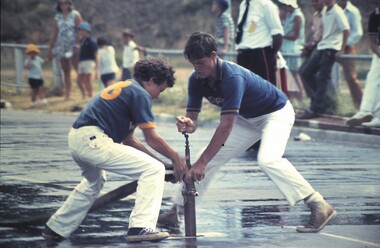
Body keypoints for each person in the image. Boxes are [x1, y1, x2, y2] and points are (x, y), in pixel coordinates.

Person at [158, 32, 336, 234]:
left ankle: (318, 205)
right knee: (204, 158)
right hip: (247, 119)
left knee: (268, 159)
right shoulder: (196, 79)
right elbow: (193, 119)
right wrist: (188, 124)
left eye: (200, 62)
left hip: (275, 113)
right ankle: (176, 212)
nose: (197, 68)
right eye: (192, 63)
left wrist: (202, 163)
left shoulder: (232, 77)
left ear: (214, 55)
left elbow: (225, 126)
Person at [41, 57, 187, 243]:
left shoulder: (128, 88)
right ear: (150, 80)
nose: (158, 96)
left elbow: (129, 140)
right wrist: (175, 158)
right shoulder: (141, 95)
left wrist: (163, 163)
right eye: (160, 89)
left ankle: (55, 228)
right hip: (94, 140)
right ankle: (141, 227)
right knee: (152, 170)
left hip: (79, 138)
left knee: (95, 182)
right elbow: (151, 138)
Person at [298, 0, 350, 119]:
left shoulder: (337, 12)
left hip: (331, 48)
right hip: (322, 46)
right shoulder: (326, 11)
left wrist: (342, 49)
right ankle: (319, 101)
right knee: (305, 71)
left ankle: (315, 108)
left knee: (322, 77)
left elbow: (346, 30)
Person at [346, 3, 380, 128]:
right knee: (373, 79)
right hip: (379, 52)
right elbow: (373, 42)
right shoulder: (374, 16)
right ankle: (366, 112)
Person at [235, 0, 283, 85]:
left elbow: (277, 33)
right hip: (243, 54)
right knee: (245, 90)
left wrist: (272, 53)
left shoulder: (266, 4)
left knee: (266, 90)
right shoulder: (243, 4)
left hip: (260, 54)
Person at [47, 0, 82, 100]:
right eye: (61, 3)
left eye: (66, 3)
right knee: (66, 70)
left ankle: (84, 92)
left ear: (69, 4)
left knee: (78, 69)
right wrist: (50, 48)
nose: (63, 5)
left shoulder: (75, 14)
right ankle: (68, 94)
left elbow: (80, 30)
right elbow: (54, 33)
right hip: (61, 46)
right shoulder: (57, 17)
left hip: (73, 45)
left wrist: (77, 44)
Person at [336, 0, 363, 109]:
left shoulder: (353, 11)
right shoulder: (334, 9)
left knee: (351, 77)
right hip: (333, 46)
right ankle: (332, 103)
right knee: (326, 74)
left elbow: (358, 33)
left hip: (347, 48)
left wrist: (344, 45)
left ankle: (360, 105)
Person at [279, 0, 306, 105]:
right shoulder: (289, 15)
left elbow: (295, 36)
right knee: (288, 76)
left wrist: (282, 36)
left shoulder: (297, 16)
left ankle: (301, 100)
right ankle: (294, 101)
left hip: (293, 49)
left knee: (294, 75)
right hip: (286, 48)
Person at [299, 0, 325, 98]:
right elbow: (315, 34)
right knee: (302, 71)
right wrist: (309, 45)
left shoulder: (326, 14)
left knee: (308, 72)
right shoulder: (315, 15)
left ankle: (320, 100)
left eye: (316, 2)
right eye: (312, 2)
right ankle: (314, 99)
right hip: (315, 47)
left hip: (323, 47)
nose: (314, 4)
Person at [77, 21, 99, 99]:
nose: (81, 32)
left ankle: (90, 94)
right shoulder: (81, 41)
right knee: (79, 80)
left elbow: (96, 54)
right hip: (81, 61)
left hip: (89, 61)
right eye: (80, 30)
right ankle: (84, 94)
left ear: (87, 31)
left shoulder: (91, 41)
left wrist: (97, 68)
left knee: (87, 79)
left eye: (83, 30)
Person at [24, 44, 48, 108]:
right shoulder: (28, 61)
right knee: (34, 91)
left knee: (41, 88)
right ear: (29, 54)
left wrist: (48, 59)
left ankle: (43, 99)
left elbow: (43, 62)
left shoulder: (38, 59)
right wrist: (30, 60)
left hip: (39, 77)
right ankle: (33, 103)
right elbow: (27, 67)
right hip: (32, 78)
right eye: (31, 53)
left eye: (34, 53)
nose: (33, 55)